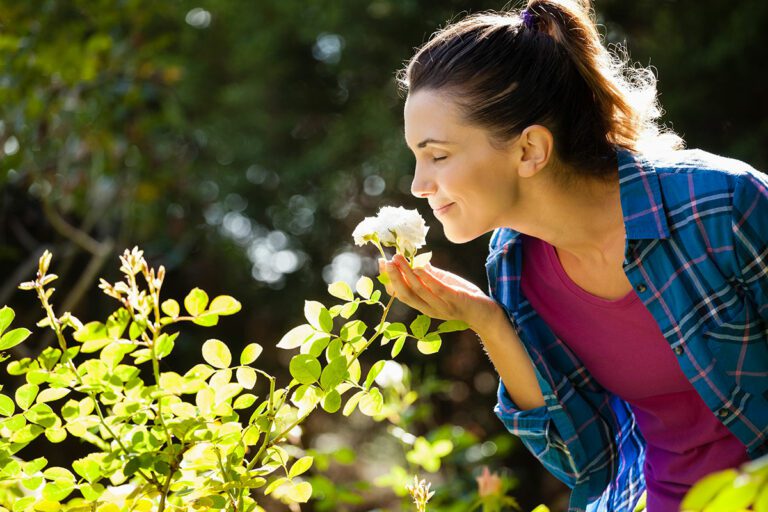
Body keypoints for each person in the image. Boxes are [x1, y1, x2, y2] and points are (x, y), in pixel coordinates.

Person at [379, 1, 768, 511]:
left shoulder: (720, 205)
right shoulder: (517, 265)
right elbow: (587, 461)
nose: (419, 184)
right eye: (417, 156)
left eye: (438, 155)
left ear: (529, 151)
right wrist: (487, 320)